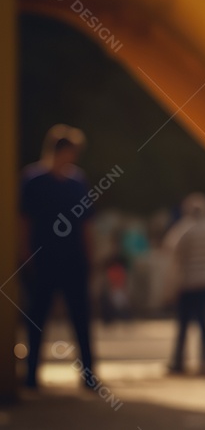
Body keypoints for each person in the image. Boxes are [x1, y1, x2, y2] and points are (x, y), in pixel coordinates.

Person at [19, 124, 97, 390]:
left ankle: (88, 375)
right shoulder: (33, 180)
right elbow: (24, 220)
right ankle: (31, 376)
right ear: (59, 151)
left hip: (73, 260)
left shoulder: (77, 182)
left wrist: (89, 257)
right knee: (36, 319)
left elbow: (86, 224)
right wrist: (26, 253)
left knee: (81, 319)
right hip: (43, 259)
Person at [163, 192, 205, 375]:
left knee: (183, 324)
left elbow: (171, 249)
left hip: (188, 282)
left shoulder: (184, 229)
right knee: (204, 323)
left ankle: (178, 361)